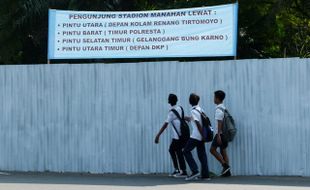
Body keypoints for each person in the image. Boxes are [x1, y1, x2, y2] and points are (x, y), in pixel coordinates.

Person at [155, 94, 187, 177]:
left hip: (177, 136)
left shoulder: (171, 112)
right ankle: (180, 170)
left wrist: (158, 135)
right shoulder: (180, 108)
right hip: (183, 134)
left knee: (174, 150)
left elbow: (165, 125)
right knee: (176, 150)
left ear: (169, 101)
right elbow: (183, 117)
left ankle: (181, 171)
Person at [183, 93, 210, 181]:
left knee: (186, 151)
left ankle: (195, 171)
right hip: (201, 136)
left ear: (190, 101)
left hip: (196, 136)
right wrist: (188, 118)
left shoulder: (193, 111)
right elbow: (196, 120)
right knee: (202, 155)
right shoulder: (200, 109)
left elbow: (198, 124)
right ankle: (206, 175)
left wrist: (202, 136)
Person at [210, 90, 231, 177]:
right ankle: (227, 172)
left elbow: (220, 123)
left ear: (218, 99)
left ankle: (225, 166)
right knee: (223, 151)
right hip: (224, 134)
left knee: (212, 150)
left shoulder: (218, 109)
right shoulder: (224, 108)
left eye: (214, 97)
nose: (213, 99)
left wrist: (218, 135)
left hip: (220, 134)